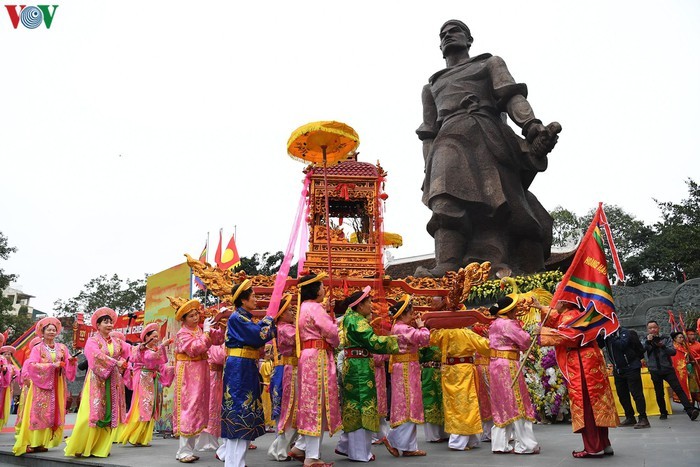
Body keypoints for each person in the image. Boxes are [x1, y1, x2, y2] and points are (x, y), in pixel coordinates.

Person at [415, 20, 559, 279]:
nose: (448, 36)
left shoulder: (489, 63)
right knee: (444, 197)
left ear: (469, 40)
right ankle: (447, 263)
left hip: (487, 134)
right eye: (443, 34)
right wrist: (429, 168)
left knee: (511, 207)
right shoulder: (431, 87)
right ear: (439, 45)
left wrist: (532, 126)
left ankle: (519, 264)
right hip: (447, 140)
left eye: (454, 31)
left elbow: (511, 96)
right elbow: (428, 132)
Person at [536, 300, 618, 458]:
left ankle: (593, 447)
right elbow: (555, 320)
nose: (553, 305)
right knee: (596, 403)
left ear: (565, 303)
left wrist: (542, 333)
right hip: (590, 360)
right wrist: (540, 307)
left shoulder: (571, 316)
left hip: (581, 364)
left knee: (586, 404)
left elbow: (570, 336)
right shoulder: (577, 314)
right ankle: (605, 443)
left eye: (556, 301)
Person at [334, 287, 401, 462]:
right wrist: (395, 340)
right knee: (362, 406)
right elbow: (372, 341)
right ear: (360, 305)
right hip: (360, 367)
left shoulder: (350, 318)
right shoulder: (359, 321)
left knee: (354, 406)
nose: (371, 305)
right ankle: (358, 453)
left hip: (354, 364)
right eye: (368, 302)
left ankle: (346, 445)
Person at [220, 279, 275, 467]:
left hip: (244, 365)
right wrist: (269, 320)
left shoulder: (244, 318)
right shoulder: (238, 318)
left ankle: (235, 462)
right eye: (253, 297)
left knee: (243, 408)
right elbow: (258, 335)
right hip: (240, 368)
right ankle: (234, 463)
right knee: (239, 410)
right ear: (243, 300)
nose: (256, 300)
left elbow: (257, 331)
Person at [65, 307, 130, 458]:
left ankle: (100, 447)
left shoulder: (117, 341)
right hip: (96, 380)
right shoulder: (92, 341)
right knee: (92, 414)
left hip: (112, 380)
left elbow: (131, 351)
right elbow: (95, 356)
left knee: (109, 413)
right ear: (98, 325)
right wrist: (115, 362)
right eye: (105, 322)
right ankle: (83, 445)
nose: (109, 325)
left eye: (110, 322)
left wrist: (151, 346)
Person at [295, 272, 341, 467]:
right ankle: (311, 456)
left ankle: (300, 447)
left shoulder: (303, 307)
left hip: (308, 356)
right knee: (317, 403)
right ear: (315, 289)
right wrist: (335, 329)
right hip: (318, 357)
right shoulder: (315, 308)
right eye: (322, 286)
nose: (324, 289)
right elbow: (330, 332)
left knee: (308, 402)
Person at [13, 317, 77, 455]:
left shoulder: (62, 348)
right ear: (43, 332)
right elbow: (31, 366)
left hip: (57, 384)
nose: (52, 332)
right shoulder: (37, 349)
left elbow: (67, 362)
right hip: (41, 385)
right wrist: (52, 366)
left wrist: (71, 362)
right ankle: (33, 442)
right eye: (49, 330)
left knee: (52, 414)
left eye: (54, 330)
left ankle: (43, 442)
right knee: (39, 413)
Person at [429, 310, 490, 451]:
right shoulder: (466, 333)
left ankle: (469, 440)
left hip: (449, 370)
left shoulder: (443, 333)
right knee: (466, 405)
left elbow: (430, 338)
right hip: (464, 371)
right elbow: (486, 346)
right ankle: (459, 441)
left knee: (453, 405)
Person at [171, 299, 223, 463]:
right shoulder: (183, 334)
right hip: (188, 371)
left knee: (198, 407)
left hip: (200, 371)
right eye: (191, 315)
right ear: (184, 319)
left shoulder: (199, 330)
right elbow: (195, 349)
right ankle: (183, 451)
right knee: (189, 407)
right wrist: (206, 332)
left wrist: (221, 323)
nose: (195, 317)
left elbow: (218, 340)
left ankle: (189, 450)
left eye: (196, 314)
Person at [487, 295, 540, 454]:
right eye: (515, 308)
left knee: (501, 403)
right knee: (517, 402)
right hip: (508, 365)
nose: (517, 311)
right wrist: (535, 331)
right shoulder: (509, 324)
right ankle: (525, 444)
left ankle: (499, 444)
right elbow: (524, 341)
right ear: (508, 311)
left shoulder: (495, 323)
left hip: (495, 365)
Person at [117, 322, 174, 447]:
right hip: (142, 378)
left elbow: (161, 364)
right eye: (153, 336)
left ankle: (142, 438)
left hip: (151, 379)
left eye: (157, 336)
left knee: (150, 407)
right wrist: (162, 346)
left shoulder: (153, 349)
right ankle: (134, 436)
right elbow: (148, 358)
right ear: (146, 338)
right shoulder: (140, 349)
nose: (156, 339)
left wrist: (173, 369)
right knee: (142, 406)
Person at [387, 295, 431, 457]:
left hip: (407, 367)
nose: (413, 316)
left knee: (409, 404)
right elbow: (424, 339)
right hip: (406, 369)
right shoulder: (402, 329)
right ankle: (394, 439)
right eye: (411, 313)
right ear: (403, 314)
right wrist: (422, 327)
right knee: (408, 404)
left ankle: (409, 447)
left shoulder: (398, 327)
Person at [267, 295, 302, 462]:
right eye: (288, 310)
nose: (291, 312)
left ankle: (282, 448)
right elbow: (299, 336)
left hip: (295, 369)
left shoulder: (287, 326)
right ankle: (278, 449)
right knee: (290, 411)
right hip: (291, 371)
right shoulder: (284, 329)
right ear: (281, 314)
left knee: (295, 411)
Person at [644, 320, 698, 421]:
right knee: (659, 392)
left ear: (658, 328)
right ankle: (663, 412)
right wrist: (648, 342)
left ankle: (690, 411)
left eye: (654, 327)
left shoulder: (665, 338)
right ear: (647, 330)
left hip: (667, 369)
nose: (653, 330)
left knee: (678, 389)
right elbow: (642, 350)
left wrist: (662, 346)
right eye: (650, 328)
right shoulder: (645, 339)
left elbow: (672, 352)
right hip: (654, 370)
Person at [598, 326, 650, 428]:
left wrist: (611, 335)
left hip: (631, 367)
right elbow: (599, 345)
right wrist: (600, 336)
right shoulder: (606, 335)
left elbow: (622, 345)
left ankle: (643, 418)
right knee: (622, 395)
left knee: (637, 394)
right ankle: (630, 417)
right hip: (618, 369)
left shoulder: (624, 332)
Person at [197, 310, 229, 453]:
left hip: (217, 377)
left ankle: (214, 440)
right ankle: (208, 441)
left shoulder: (216, 338)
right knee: (211, 407)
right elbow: (219, 357)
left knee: (215, 407)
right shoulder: (212, 340)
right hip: (212, 377)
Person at [419, 345, 447, 443]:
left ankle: (444, 432)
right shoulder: (425, 335)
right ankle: (433, 435)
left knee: (443, 401)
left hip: (442, 371)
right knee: (431, 400)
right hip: (429, 372)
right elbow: (419, 354)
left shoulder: (442, 334)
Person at [670, 332, 692, 405]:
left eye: (682, 337)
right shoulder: (674, 348)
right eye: (679, 337)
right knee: (682, 385)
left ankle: (689, 401)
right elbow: (676, 360)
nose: (682, 339)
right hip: (680, 369)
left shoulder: (684, 346)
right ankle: (686, 402)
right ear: (675, 339)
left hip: (686, 368)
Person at [0, 334, 14, 431]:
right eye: (6, 354)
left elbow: (7, 372)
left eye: (9, 354)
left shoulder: (2, 359)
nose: (7, 356)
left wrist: (4, 370)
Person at [686, 329, 700, 405]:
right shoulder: (685, 345)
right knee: (691, 386)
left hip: (698, 367)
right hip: (689, 368)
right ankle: (691, 404)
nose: (693, 336)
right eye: (690, 335)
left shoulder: (698, 344)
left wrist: (696, 360)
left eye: (693, 334)